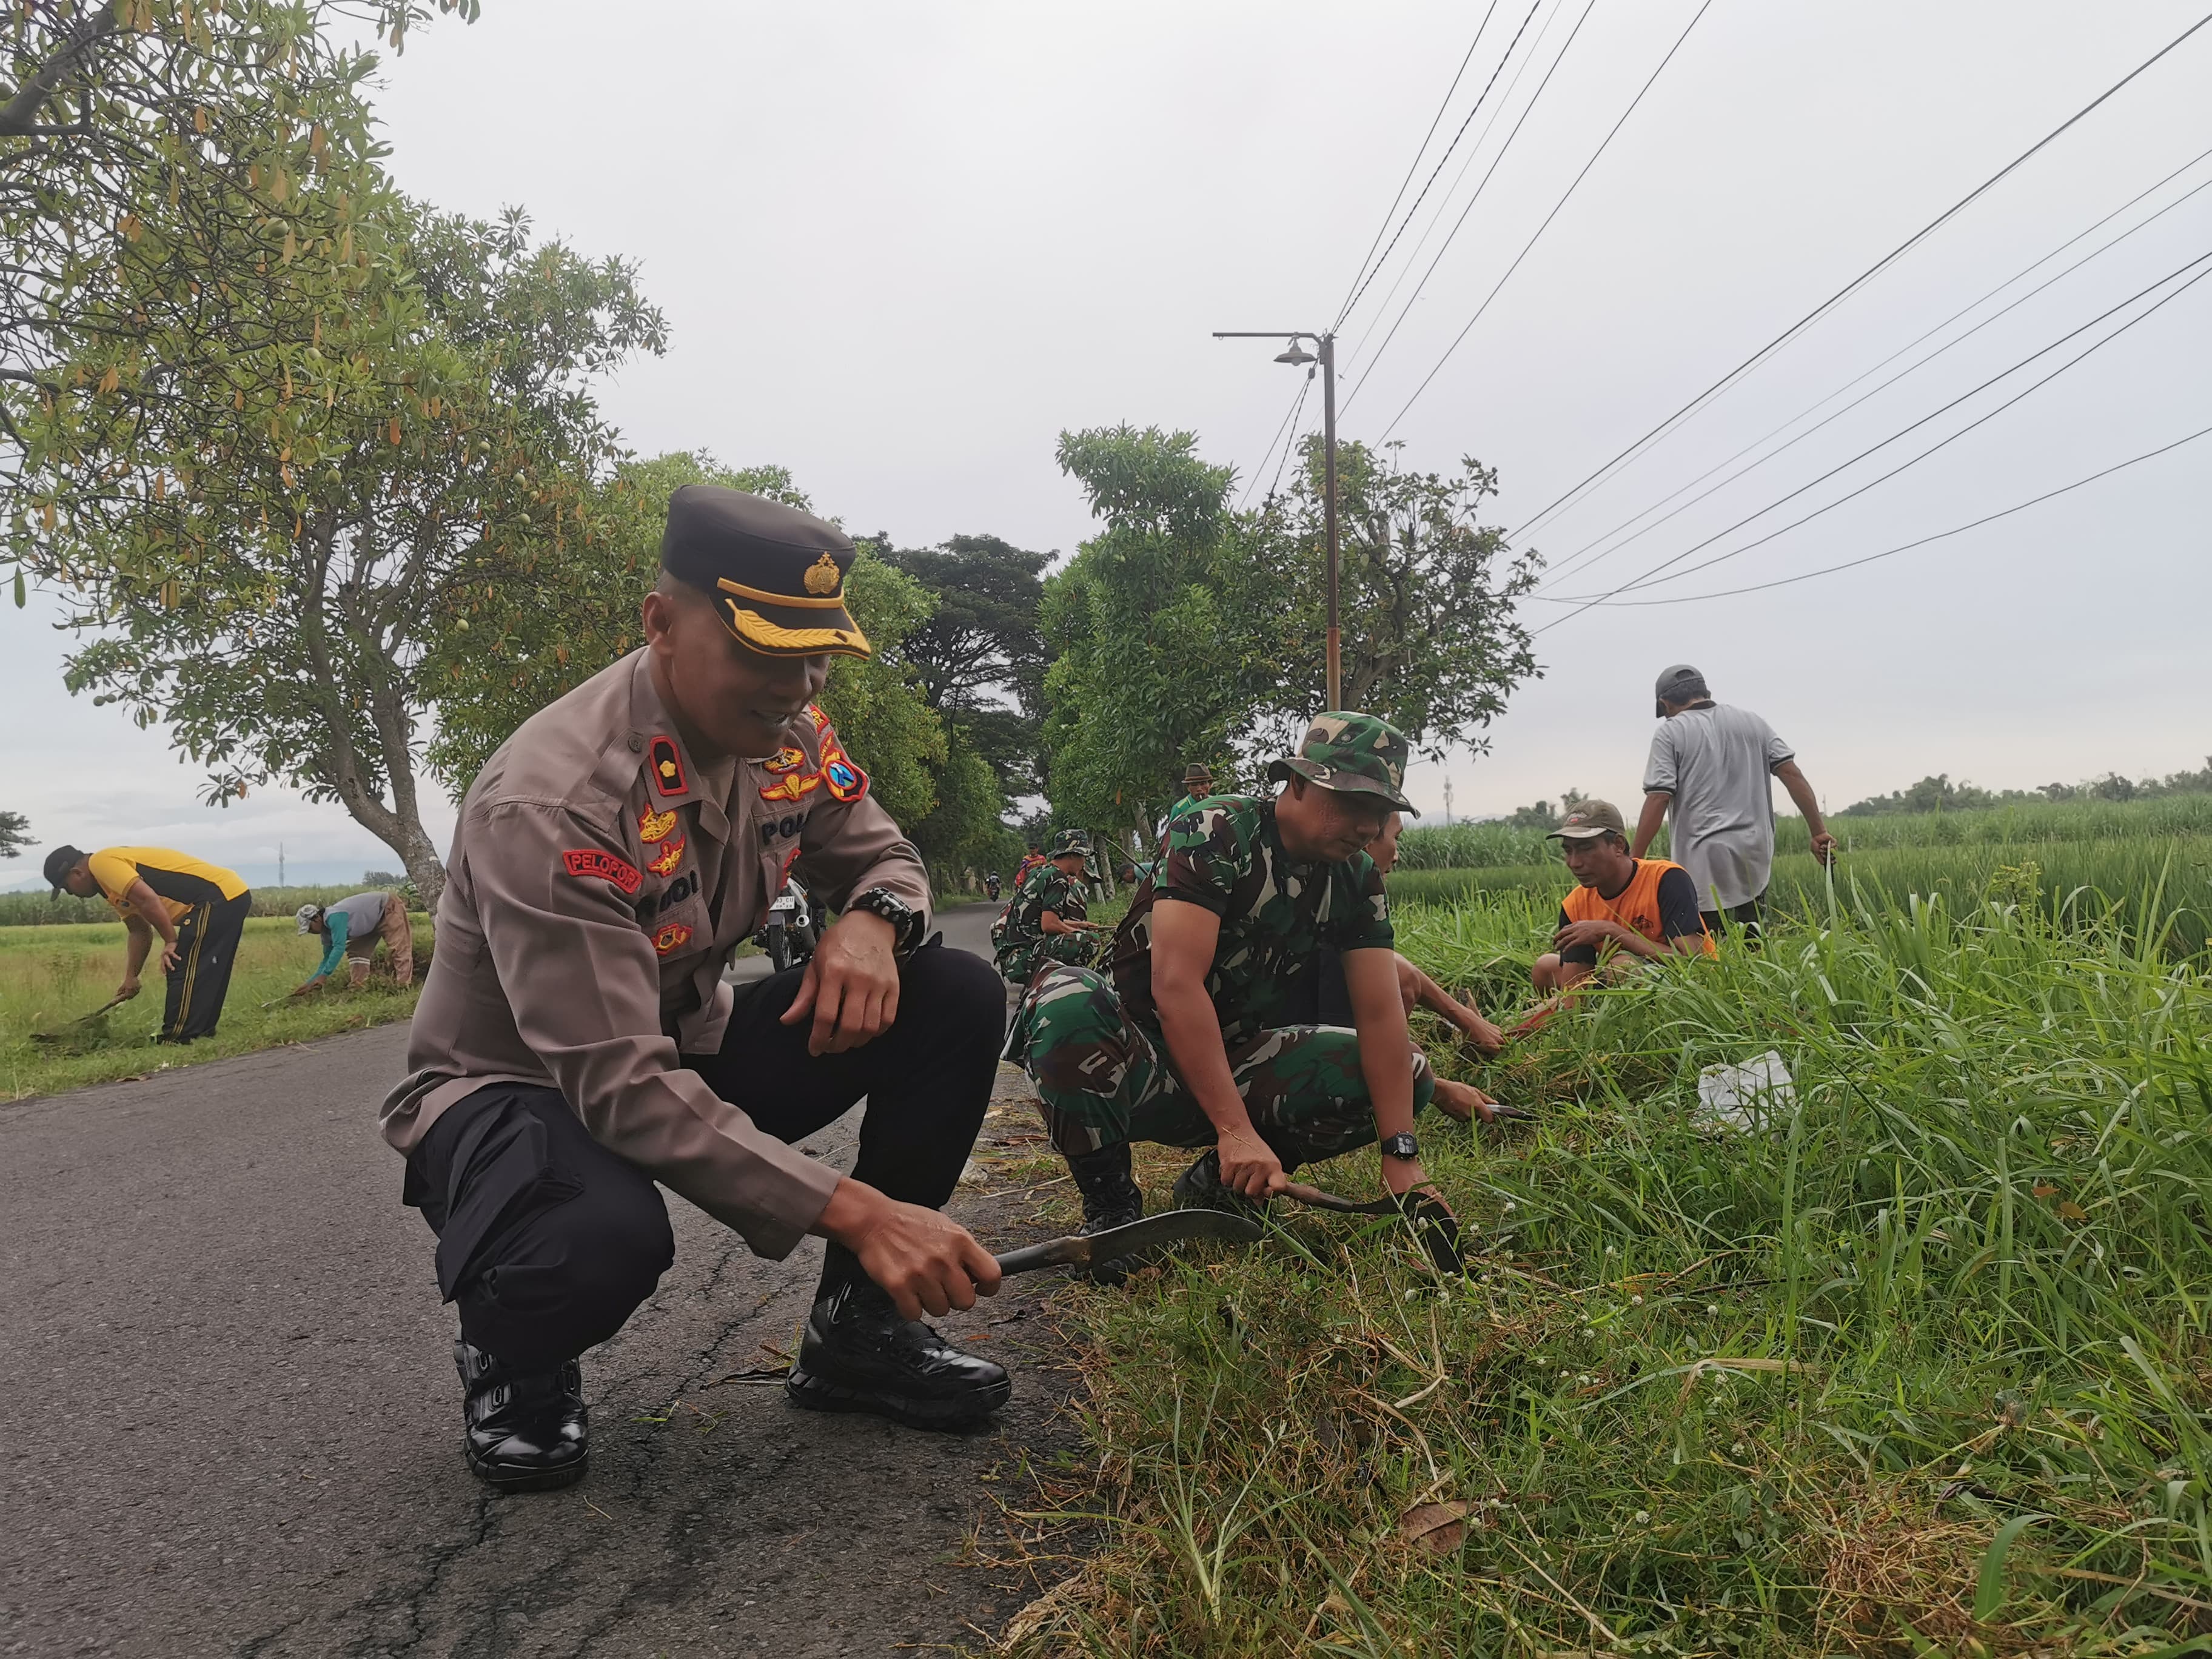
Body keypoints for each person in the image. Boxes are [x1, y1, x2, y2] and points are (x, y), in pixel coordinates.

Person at [382, 486, 1010, 1494]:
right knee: (599, 1242)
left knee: (955, 997)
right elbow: (618, 1085)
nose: (796, 684)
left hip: (685, 1043)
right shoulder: (556, 798)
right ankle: (516, 1352)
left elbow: (881, 851)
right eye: (765, 651)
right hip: (521, 1089)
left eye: (815, 654)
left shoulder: (791, 735)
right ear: (660, 623)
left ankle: (856, 1336)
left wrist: (870, 921)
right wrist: (863, 1212)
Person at [1007, 712, 1456, 1271]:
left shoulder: (1355, 877)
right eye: (1355, 804)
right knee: (1065, 996)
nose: (1370, 826)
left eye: (1382, 811)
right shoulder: (1217, 829)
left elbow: (1381, 1013)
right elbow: (1176, 985)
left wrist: (1402, 1154)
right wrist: (1234, 1129)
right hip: (1136, 1061)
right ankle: (1113, 1211)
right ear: (1298, 782)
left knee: (1409, 1073)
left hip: (1238, 1055)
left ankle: (1217, 1187)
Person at [1301, 812, 1514, 1125]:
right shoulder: (1323, 903)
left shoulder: (1341, 893)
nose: (1398, 855)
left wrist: (1464, 1017)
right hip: (1275, 1055)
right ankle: (1347, 1107)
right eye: (1395, 838)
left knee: (1398, 975)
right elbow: (1326, 1042)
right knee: (1397, 984)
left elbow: (1394, 966)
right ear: (1364, 838)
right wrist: (1434, 1088)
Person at [1632, 664, 1837, 939]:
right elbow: (1791, 773)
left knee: (1706, 949)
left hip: (1702, 860)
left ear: (1664, 704)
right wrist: (1819, 833)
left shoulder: (1670, 732)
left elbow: (1658, 797)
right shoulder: (1752, 721)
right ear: (1706, 693)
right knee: (1752, 941)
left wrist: (1634, 862)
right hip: (1754, 853)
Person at [44, 843, 252, 1043]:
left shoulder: (102, 863)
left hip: (216, 896)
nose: (70, 893)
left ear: (77, 873)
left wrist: (171, 941)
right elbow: (139, 930)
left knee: (180, 964)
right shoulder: (109, 887)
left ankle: (178, 1038)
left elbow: (148, 900)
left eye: (66, 887)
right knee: (206, 968)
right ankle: (201, 1034)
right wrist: (131, 977)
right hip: (229, 894)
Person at [1529, 800, 1715, 994]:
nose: (1574, 862)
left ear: (1618, 845)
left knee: (1623, 966)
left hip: (1691, 985)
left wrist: (1612, 931)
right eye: (1569, 851)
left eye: (1586, 848)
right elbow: (1574, 990)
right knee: (1545, 968)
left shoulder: (1665, 879)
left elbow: (1694, 961)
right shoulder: (1575, 905)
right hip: (1618, 976)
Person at [991, 828, 1108, 984]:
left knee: (1082, 933)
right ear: (1073, 855)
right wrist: (1078, 931)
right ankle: (1068, 984)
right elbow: (1049, 925)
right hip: (1023, 959)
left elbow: (1042, 919)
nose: (1084, 863)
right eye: (1083, 857)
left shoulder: (1040, 872)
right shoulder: (1058, 879)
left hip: (1012, 957)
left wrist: (1079, 924)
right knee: (1090, 940)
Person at [292, 890, 416, 992]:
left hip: (387, 908)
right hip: (370, 922)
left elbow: (338, 948)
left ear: (316, 919)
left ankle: (403, 987)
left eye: (309, 929)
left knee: (399, 949)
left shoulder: (335, 917)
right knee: (356, 950)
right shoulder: (325, 932)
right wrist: (310, 983)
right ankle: (358, 987)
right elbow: (327, 958)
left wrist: (324, 976)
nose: (310, 932)